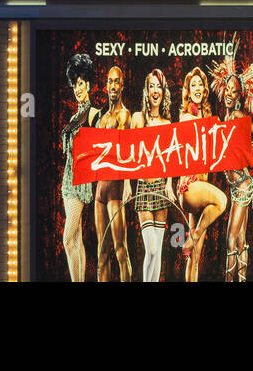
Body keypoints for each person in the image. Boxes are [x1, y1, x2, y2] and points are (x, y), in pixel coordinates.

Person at [208, 55, 253, 282]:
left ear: (240, 95)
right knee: (241, 238)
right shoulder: (225, 117)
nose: (230, 95)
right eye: (228, 91)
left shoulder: (239, 116)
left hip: (243, 184)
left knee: (230, 238)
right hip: (236, 186)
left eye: (234, 92)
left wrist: (250, 151)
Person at [176, 67, 227, 282]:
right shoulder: (187, 115)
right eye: (192, 85)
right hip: (191, 187)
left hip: (199, 191)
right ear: (188, 91)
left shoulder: (204, 115)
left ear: (205, 90)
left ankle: (193, 242)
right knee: (222, 201)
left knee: (195, 256)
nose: (197, 88)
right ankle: (192, 237)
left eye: (200, 84)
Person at [129, 68, 175, 282]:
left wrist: (170, 183)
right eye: (151, 86)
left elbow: (171, 159)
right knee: (153, 250)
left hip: (161, 189)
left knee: (158, 254)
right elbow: (127, 155)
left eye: (159, 86)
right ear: (146, 91)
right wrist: (127, 185)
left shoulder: (167, 123)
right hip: (143, 189)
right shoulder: (138, 118)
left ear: (163, 92)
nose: (155, 90)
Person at [61, 53, 101, 281]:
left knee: (68, 238)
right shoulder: (76, 114)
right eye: (74, 84)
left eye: (81, 84)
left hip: (79, 181)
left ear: (89, 85)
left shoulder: (92, 113)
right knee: (75, 237)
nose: (77, 89)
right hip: (68, 181)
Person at [94, 64, 132, 282]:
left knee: (120, 251)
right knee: (101, 253)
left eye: (117, 81)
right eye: (110, 81)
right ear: (106, 85)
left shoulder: (124, 116)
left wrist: (127, 183)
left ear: (122, 86)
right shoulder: (101, 119)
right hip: (100, 188)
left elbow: (125, 152)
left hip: (116, 187)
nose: (113, 85)